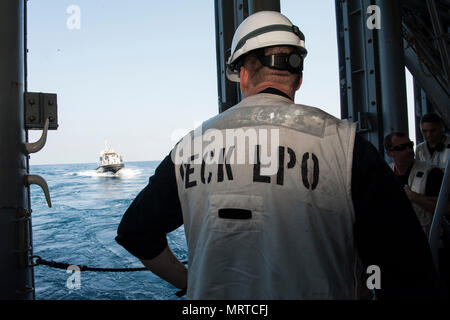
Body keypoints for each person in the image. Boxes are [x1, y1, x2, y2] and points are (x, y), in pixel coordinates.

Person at [116, 11, 442, 299]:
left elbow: (135, 232)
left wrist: (191, 282)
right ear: (297, 78)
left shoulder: (189, 147)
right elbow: (408, 271)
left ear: (242, 74)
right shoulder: (345, 147)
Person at [384, 132, 444, 237]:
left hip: (427, 239)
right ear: (389, 153)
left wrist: (413, 196)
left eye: (410, 145)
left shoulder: (431, 173)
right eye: (402, 147)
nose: (409, 150)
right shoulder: (385, 174)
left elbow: (445, 208)